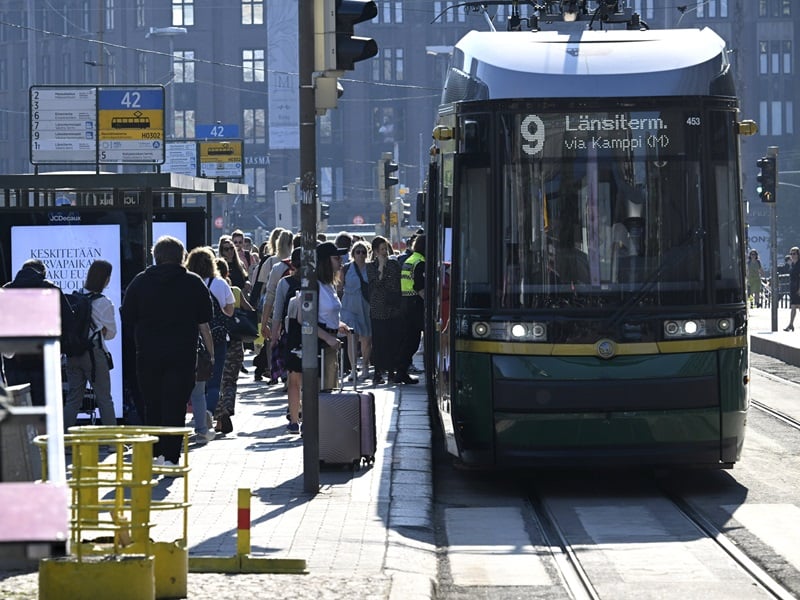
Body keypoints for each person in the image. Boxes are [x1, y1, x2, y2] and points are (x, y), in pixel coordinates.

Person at [120, 236, 214, 467]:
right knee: (176, 404)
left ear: (156, 256)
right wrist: (210, 353)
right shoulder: (193, 282)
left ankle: (155, 453)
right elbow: (205, 321)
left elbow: (127, 316)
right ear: (182, 256)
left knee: (152, 404)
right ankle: (171, 456)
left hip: (148, 354)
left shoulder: (140, 281)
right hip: (182, 353)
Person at [2, 259, 72, 406]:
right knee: (44, 404)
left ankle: (20, 429)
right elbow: (68, 321)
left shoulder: (6, 290)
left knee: (18, 402)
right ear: (42, 273)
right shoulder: (50, 289)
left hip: (14, 357)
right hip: (43, 355)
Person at [63, 259, 118, 430]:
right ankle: (112, 442)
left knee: (73, 399)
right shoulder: (103, 302)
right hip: (94, 355)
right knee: (104, 399)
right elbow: (111, 334)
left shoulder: (75, 296)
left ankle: (62, 441)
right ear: (105, 279)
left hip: (73, 354)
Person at [216, 258, 254, 432]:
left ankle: (219, 415)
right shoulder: (235, 291)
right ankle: (228, 408)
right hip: (235, 341)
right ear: (227, 273)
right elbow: (249, 310)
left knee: (217, 380)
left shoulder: (208, 289)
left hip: (218, 340)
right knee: (230, 380)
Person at [271, 247, 303, 433]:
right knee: (309, 380)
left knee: (293, 380)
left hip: (291, 335)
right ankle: (303, 415)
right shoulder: (316, 282)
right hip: (312, 334)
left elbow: (277, 313)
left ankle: (293, 419)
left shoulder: (285, 283)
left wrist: (274, 337)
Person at [366, 236, 402, 385]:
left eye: (385, 249)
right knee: (379, 341)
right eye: (381, 250)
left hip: (392, 307)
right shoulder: (371, 267)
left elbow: (395, 283)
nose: (384, 252)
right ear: (375, 251)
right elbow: (376, 284)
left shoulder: (394, 264)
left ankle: (392, 371)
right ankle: (378, 372)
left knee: (392, 340)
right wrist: (381, 267)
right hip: (378, 308)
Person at [316, 241, 351, 390]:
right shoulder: (314, 285)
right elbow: (306, 320)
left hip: (331, 344)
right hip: (320, 346)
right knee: (323, 390)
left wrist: (338, 324)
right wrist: (328, 337)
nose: (341, 261)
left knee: (330, 388)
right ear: (325, 261)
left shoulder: (329, 284)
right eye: (336, 257)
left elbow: (326, 312)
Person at [340, 240, 372, 382]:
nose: (360, 254)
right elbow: (339, 287)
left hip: (365, 305)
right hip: (349, 305)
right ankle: (353, 369)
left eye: (363, 251)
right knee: (351, 337)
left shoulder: (371, 268)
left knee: (366, 338)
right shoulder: (346, 268)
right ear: (353, 254)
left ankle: (365, 367)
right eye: (357, 252)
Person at [395, 234, 425, 384]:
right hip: (415, 304)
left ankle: (400, 371)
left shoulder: (410, 260)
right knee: (412, 341)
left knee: (408, 340)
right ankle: (401, 371)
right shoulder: (420, 262)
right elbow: (419, 287)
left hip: (406, 302)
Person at [785, 247, 800, 331]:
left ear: (798, 254)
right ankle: (791, 324)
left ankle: (791, 324)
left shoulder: (799, 264)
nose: (792, 255)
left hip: (798, 287)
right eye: (791, 254)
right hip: (793, 288)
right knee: (794, 306)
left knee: (795, 306)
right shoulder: (793, 264)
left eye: (794, 253)